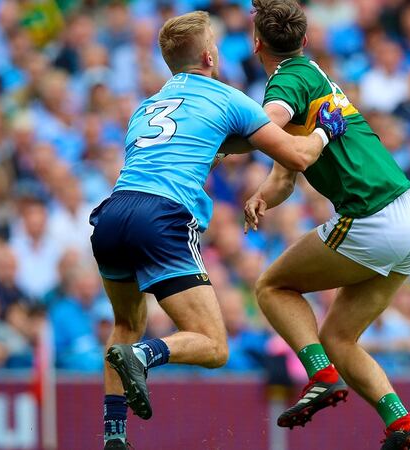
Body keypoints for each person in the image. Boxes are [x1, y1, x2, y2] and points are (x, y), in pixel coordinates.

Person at [89, 11, 348, 450]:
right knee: (213, 345)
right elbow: (298, 157)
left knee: (125, 322)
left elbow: (212, 147)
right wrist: (326, 128)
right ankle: (146, 355)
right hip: (163, 216)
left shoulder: (146, 106)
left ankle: (115, 433)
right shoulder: (228, 98)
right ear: (211, 55)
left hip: (113, 213)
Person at [244, 1, 410, 448]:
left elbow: (270, 123)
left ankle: (321, 375)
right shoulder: (314, 75)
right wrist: (263, 196)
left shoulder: (287, 80)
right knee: (339, 335)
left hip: (372, 215)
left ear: (256, 44)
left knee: (271, 287)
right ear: (305, 40)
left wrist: (221, 140)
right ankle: (400, 423)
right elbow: (287, 174)